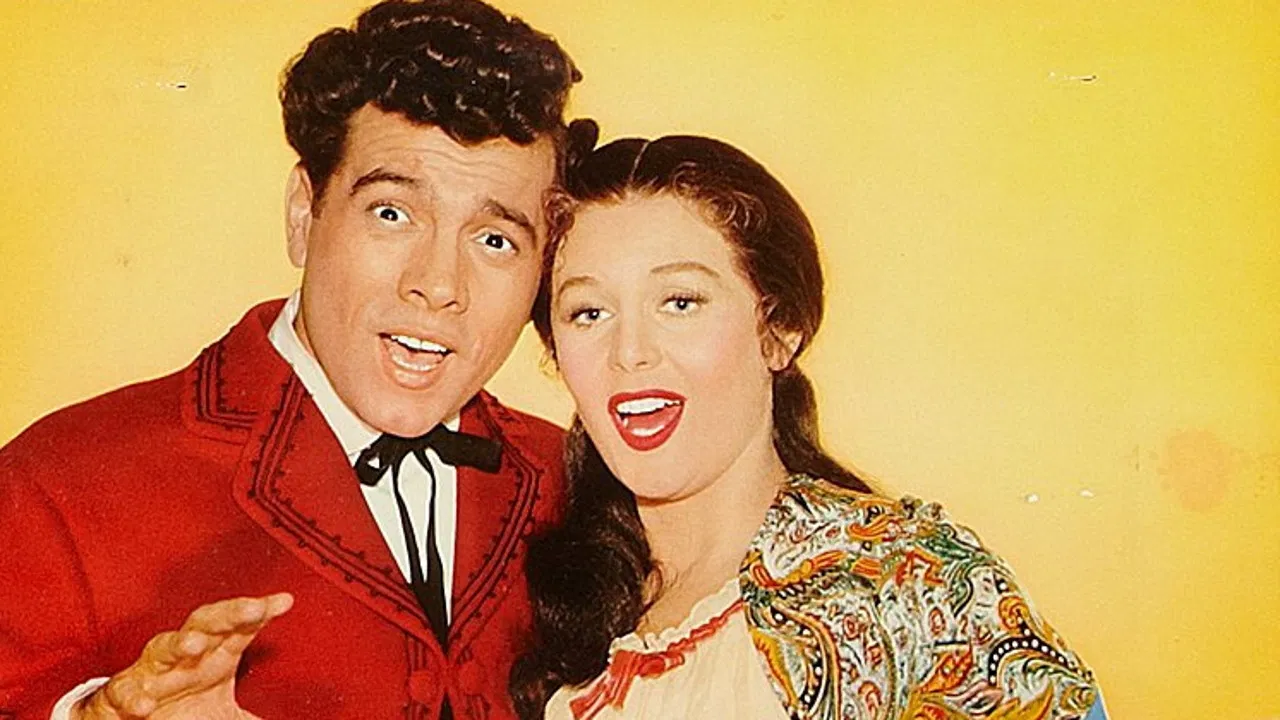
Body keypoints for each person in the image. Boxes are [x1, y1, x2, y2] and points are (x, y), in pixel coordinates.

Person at [0, 1, 581, 718]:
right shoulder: (57, 484)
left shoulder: (576, 488)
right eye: (392, 213)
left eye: (495, 240)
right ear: (304, 214)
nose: (437, 286)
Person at [510, 131, 1109, 719]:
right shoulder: (541, 602)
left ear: (779, 330)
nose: (630, 352)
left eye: (681, 302)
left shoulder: (903, 580)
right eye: (589, 312)